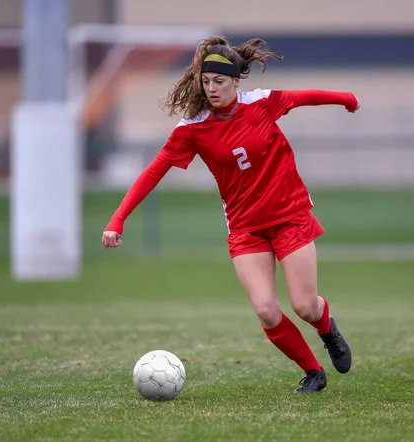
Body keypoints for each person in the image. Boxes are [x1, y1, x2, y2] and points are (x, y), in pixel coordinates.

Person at [102, 36, 359, 393]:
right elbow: (152, 173)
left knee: (304, 306)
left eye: (219, 82)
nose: (211, 89)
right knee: (267, 311)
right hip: (245, 228)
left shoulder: (262, 103)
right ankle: (313, 372)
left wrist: (345, 98)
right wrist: (118, 218)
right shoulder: (193, 128)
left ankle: (327, 329)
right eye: (206, 82)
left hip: (289, 216)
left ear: (237, 81)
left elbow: (306, 96)